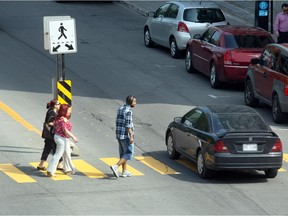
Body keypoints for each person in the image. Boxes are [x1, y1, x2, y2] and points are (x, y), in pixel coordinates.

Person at [47, 104, 78, 177]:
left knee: (67, 153)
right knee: (58, 154)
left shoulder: (62, 118)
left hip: (63, 138)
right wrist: (73, 137)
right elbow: (65, 130)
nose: (70, 111)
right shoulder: (62, 119)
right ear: (64, 111)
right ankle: (50, 170)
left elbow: (54, 124)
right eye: (69, 110)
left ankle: (68, 169)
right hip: (61, 138)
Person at [110, 95, 137, 178]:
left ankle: (124, 171)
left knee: (123, 154)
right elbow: (128, 124)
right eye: (135, 102)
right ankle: (116, 166)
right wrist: (131, 135)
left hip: (119, 134)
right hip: (125, 135)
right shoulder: (128, 111)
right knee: (129, 153)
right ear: (131, 102)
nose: (136, 103)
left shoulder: (121, 108)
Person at [37, 99, 63, 171]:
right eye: (58, 104)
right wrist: (57, 124)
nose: (59, 105)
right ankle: (59, 164)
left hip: (49, 135)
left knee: (47, 149)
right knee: (57, 149)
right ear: (55, 105)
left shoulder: (52, 111)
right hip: (51, 134)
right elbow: (49, 123)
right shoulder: (52, 112)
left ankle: (41, 164)